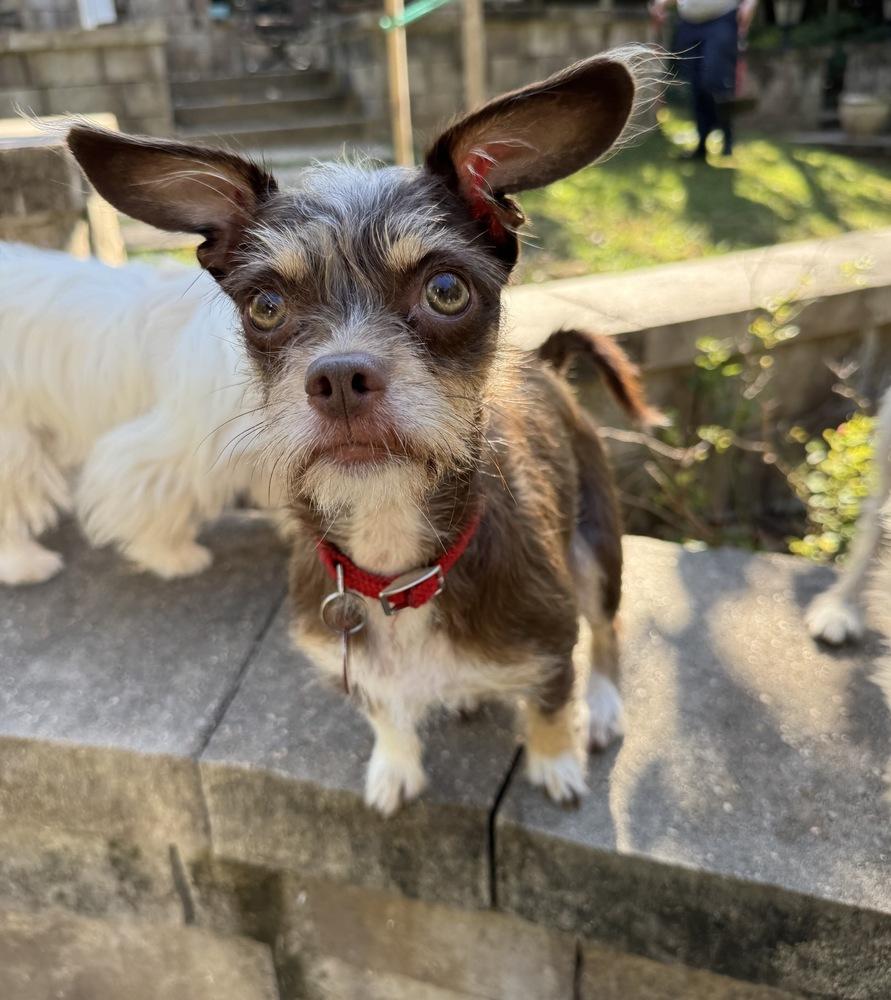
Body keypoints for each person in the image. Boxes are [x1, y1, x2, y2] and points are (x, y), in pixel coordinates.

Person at [651, 0, 758, 160]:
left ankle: (726, 133)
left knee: (713, 79)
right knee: (696, 85)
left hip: (722, 18)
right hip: (688, 23)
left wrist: (750, 4)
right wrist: (661, 4)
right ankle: (702, 143)